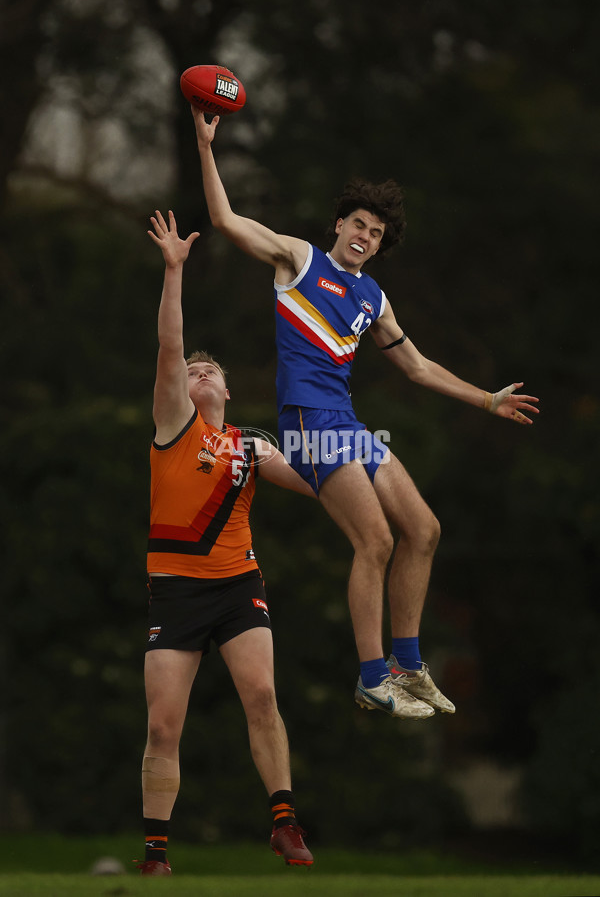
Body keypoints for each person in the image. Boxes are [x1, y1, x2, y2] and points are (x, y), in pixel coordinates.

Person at [192, 106, 541, 722]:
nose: (365, 237)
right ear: (340, 223)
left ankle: (408, 665)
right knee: (374, 540)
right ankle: (372, 677)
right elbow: (224, 219)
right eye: (359, 224)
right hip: (307, 425)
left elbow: (418, 367)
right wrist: (204, 143)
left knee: (424, 530)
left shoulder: (372, 297)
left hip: (347, 426)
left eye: (377, 234)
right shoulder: (300, 261)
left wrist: (486, 399)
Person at [136, 209, 315, 877]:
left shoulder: (249, 446)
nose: (199, 368)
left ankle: (284, 822)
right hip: (178, 593)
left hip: (239, 588)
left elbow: (321, 486)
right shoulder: (173, 428)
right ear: (179, 388)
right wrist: (174, 271)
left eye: (211, 367)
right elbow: (167, 344)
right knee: (162, 727)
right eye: (193, 367)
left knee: (262, 697)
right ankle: (156, 853)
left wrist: (369, 474)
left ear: (230, 390)